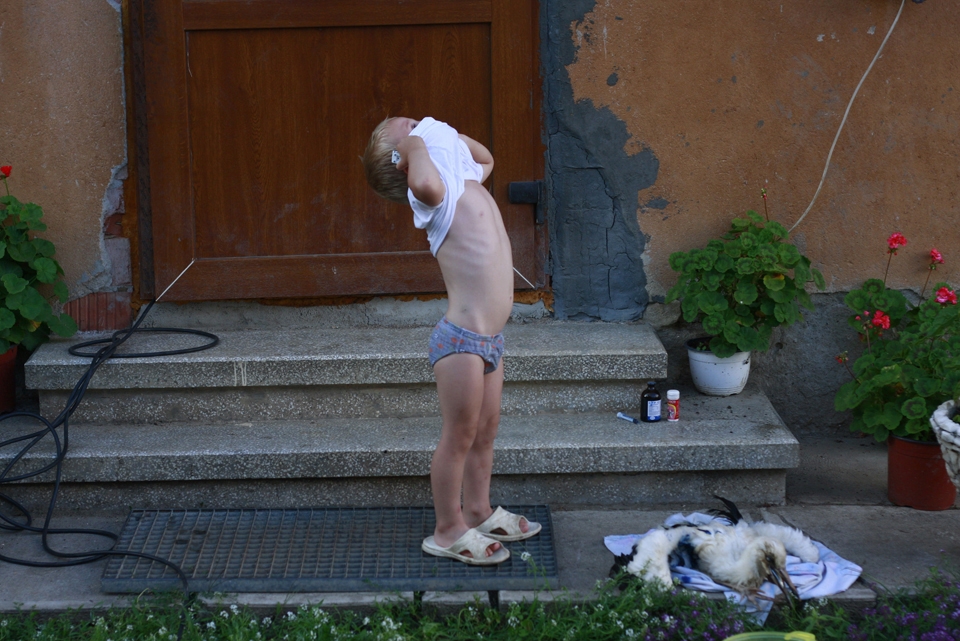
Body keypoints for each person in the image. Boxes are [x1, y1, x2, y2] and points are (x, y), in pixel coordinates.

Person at [362, 116, 541, 565]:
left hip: (490, 340)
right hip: (460, 342)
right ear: (402, 160)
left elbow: (486, 159)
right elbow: (425, 183)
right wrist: (415, 148)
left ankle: (478, 510)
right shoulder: (431, 199)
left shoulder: (460, 181)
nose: (416, 123)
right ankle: (447, 530)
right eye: (405, 129)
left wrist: (452, 139)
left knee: (485, 432)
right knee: (459, 436)